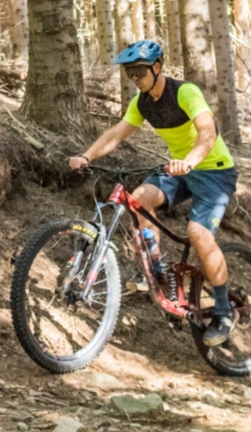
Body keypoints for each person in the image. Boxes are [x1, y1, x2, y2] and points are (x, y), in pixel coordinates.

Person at [66, 39, 239, 347]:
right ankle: (157, 273)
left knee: (198, 232)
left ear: (158, 67)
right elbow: (116, 134)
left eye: (140, 71)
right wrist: (87, 156)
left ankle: (224, 312)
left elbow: (208, 132)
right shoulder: (142, 102)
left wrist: (189, 161)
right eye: (130, 73)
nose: (135, 77)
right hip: (178, 168)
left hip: (213, 170)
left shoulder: (185, 92)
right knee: (139, 198)